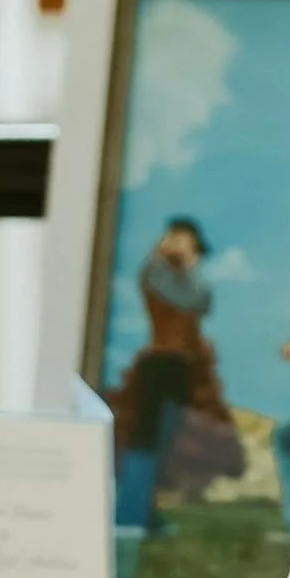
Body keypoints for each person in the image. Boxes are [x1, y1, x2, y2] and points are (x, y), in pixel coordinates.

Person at [112, 218, 245, 534]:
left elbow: (204, 299)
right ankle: (129, 515)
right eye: (182, 240)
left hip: (180, 367)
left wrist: (190, 266)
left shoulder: (186, 277)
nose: (188, 249)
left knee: (163, 442)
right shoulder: (155, 271)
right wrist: (184, 263)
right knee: (144, 440)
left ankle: (145, 511)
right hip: (159, 364)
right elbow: (191, 299)